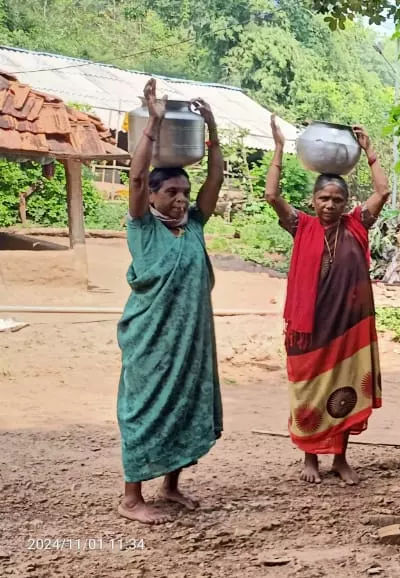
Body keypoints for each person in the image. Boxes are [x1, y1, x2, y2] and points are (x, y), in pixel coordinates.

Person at [116, 79, 223, 524]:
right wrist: (153, 124)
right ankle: (131, 498)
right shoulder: (143, 225)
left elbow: (214, 178)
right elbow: (137, 175)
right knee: (145, 409)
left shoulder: (195, 224)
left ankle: (171, 485)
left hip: (192, 339)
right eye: (171, 193)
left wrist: (213, 130)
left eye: (184, 193)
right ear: (154, 195)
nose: (180, 201)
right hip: (150, 339)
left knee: (184, 404)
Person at [266, 115, 389, 486]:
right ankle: (310, 456)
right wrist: (277, 149)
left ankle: (340, 457)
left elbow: (382, 192)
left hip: (349, 328)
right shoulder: (300, 226)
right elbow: (272, 196)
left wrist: (369, 152)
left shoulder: (356, 225)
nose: (330, 205)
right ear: (313, 199)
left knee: (346, 389)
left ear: (346, 202)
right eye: (323, 198)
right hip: (311, 329)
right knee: (310, 388)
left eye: (337, 199)